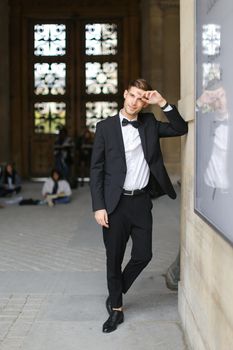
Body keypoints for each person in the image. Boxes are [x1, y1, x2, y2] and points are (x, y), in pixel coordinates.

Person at [90, 78, 188, 333]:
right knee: (114, 258)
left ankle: (116, 290)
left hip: (142, 202)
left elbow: (180, 128)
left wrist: (162, 102)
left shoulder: (150, 125)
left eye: (141, 98)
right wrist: (98, 206)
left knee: (144, 255)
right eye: (132, 95)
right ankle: (116, 310)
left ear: (145, 101)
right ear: (125, 94)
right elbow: (96, 170)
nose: (135, 102)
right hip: (114, 204)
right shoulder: (105, 127)